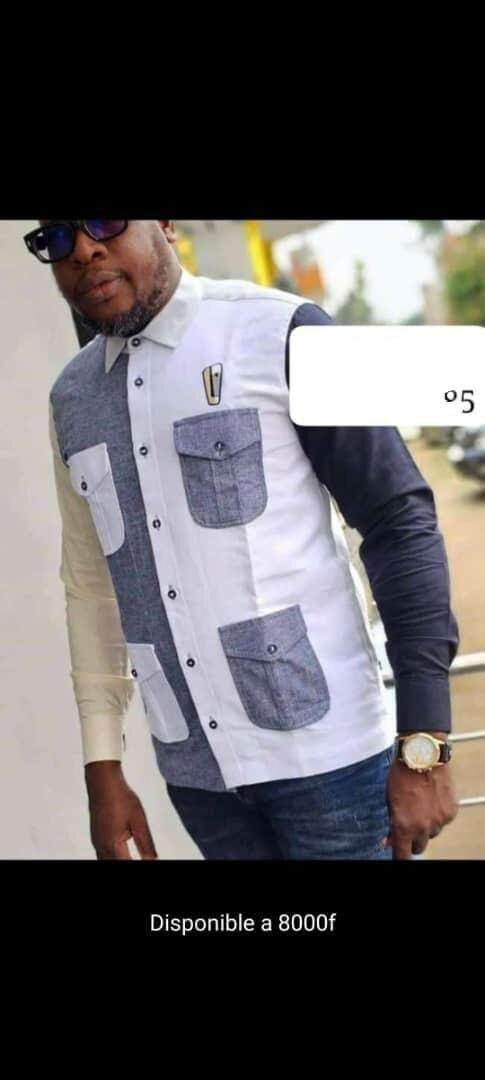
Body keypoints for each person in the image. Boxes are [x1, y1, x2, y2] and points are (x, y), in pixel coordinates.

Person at [24, 219, 460, 860]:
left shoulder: (289, 330)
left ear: (166, 225)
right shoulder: (70, 399)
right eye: (57, 238)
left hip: (334, 766)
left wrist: (425, 745)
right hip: (197, 781)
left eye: (107, 222)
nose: (85, 249)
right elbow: (91, 589)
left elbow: (400, 523)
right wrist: (103, 766)